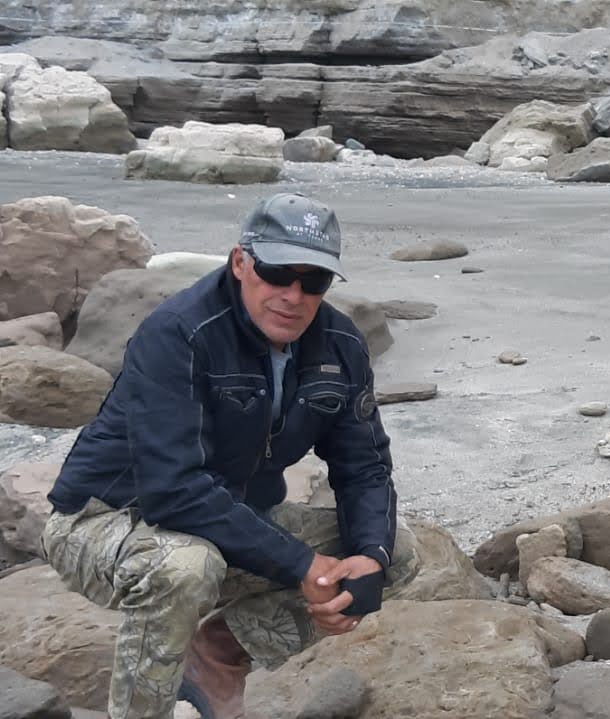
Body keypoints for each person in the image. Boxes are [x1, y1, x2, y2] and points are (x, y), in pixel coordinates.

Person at [41, 193, 420, 719]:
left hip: (233, 519)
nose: (293, 295)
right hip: (104, 520)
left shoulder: (340, 345)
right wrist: (300, 563)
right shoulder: (179, 334)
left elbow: (365, 468)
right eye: (276, 272)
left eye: (313, 281)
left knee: (394, 553)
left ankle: (217, 655)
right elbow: (172, 490)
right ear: (241, 262)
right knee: (185, 567)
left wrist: (368, 556)